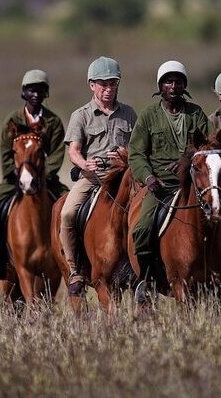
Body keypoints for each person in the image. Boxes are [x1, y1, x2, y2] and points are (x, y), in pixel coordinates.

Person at [128, 61, 221, 289]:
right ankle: (145, 281)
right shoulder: (148, 116)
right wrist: (148, 178)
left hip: (199, 184)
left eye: (178, 82)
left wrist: (187, 161)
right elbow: (136, 154)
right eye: (168, 82)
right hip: (162, 185)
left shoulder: (196, 114)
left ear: (184, 85)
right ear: (160, 86)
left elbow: (213, 145)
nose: (173, 86)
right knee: (142, 228)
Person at [0, 69, 67, 281]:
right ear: (24, 93)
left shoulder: (54, 122)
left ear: (46, 93)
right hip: (16, 179)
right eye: (31, 90)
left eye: (40, 90)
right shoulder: (12, 120)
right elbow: (6, 152)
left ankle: (73, 263)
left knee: (70, 208)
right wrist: (16, 174)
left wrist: (43, 176)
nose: (35, 94)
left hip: (45, 180)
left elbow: (57, 153)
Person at [59, 57, 137, 296]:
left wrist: (126, 154)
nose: (108, 89)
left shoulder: (129, 114)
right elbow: (73, 150)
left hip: (123, 177)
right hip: (92, 177)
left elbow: (138, 147)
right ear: (92, 85)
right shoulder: (81, 115)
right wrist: (84, 163)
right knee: (67, 213)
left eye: (113, 83)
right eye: (103, 84)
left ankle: (148, 268)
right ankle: (74, 269)